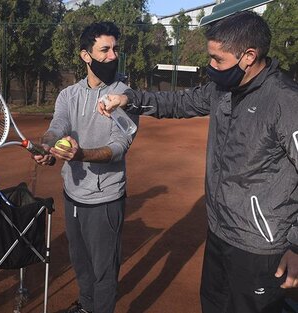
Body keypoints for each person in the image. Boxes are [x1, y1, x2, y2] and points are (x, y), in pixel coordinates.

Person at [99, 11, 298, 313]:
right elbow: (178, 102)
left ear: (248, 56)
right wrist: (130, 99)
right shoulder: (223, 89)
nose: (211, 66)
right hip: (220, 232)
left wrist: (296, 245)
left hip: (260, 247)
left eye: (218, 60)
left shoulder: (286, 101)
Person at [33, 21, 138, 313]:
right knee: (80, 262)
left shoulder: (124, 95)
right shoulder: (69, 95)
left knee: (104, 271)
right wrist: (47, 145)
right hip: (73, 194)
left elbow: (119, 147)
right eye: (104, 49)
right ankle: (87, 306)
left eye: (115, 49)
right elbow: (57, 126)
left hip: (105, 200)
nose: (112, 55)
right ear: (85, 56)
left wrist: (81, 155)